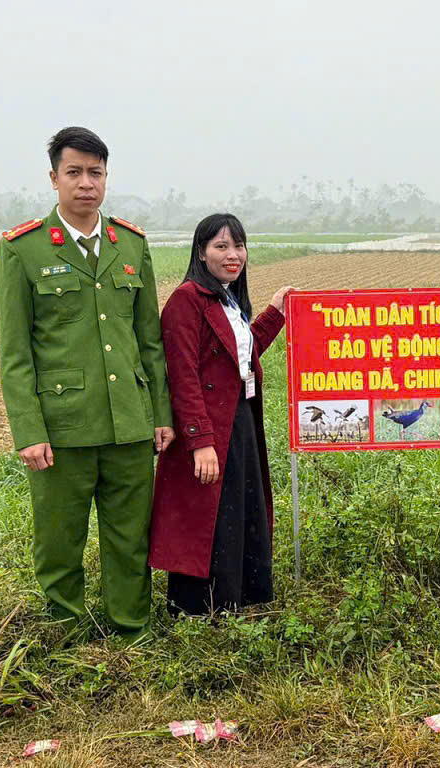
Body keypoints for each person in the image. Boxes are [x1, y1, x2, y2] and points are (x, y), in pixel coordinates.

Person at [0, 126, 173, 641]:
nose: (86, 183)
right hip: (63, 427)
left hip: (129, 424)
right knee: (59, 539)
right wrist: (29, 430)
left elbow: (149, 341)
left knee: (130, 538)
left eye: (96, 172)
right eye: (74, 172)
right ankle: (64, 635)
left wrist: (160, 414)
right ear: (54, 178)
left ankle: (131, 630)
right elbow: (15, 354)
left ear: (106, 177)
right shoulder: (24, 249)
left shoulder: (131, 245)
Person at [149, 213, 292, 615]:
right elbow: (183, 376)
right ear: (201, 252)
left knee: (240, 509)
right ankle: (199, 609)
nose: (233, 255)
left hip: (239, 419)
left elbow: (239, 355)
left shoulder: (228, 299)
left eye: (239, 246)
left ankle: (237, 601)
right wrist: (200, 442)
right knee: (207, 517)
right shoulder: (186, 300)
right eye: (221, 246)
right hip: (208, 427)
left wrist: (275, 312)